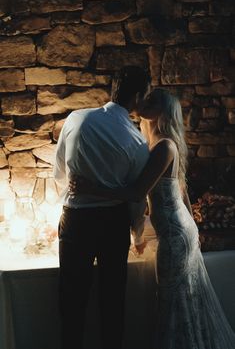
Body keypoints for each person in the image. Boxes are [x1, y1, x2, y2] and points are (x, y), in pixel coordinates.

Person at [70, 89, 235, 349]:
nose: (145, 102)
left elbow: (137, 192)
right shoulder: (153, 143)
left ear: (164, 111)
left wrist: (91, 188)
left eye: (153, 101)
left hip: (174, 233)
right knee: (176, 300)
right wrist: (190, 227)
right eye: (146, 98)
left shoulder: (164, 146)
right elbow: (183, 190)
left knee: (173, 302)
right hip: (177, 229)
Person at [53, 66, 150, 349]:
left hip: (76, 219)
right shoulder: (137, 141)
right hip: (113, 222)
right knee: (112, 300)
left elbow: (59, 170)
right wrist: (137, 231)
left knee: (71, 300)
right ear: (137, 97)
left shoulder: (76, 118)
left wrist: (72, 191)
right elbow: (135, 197)